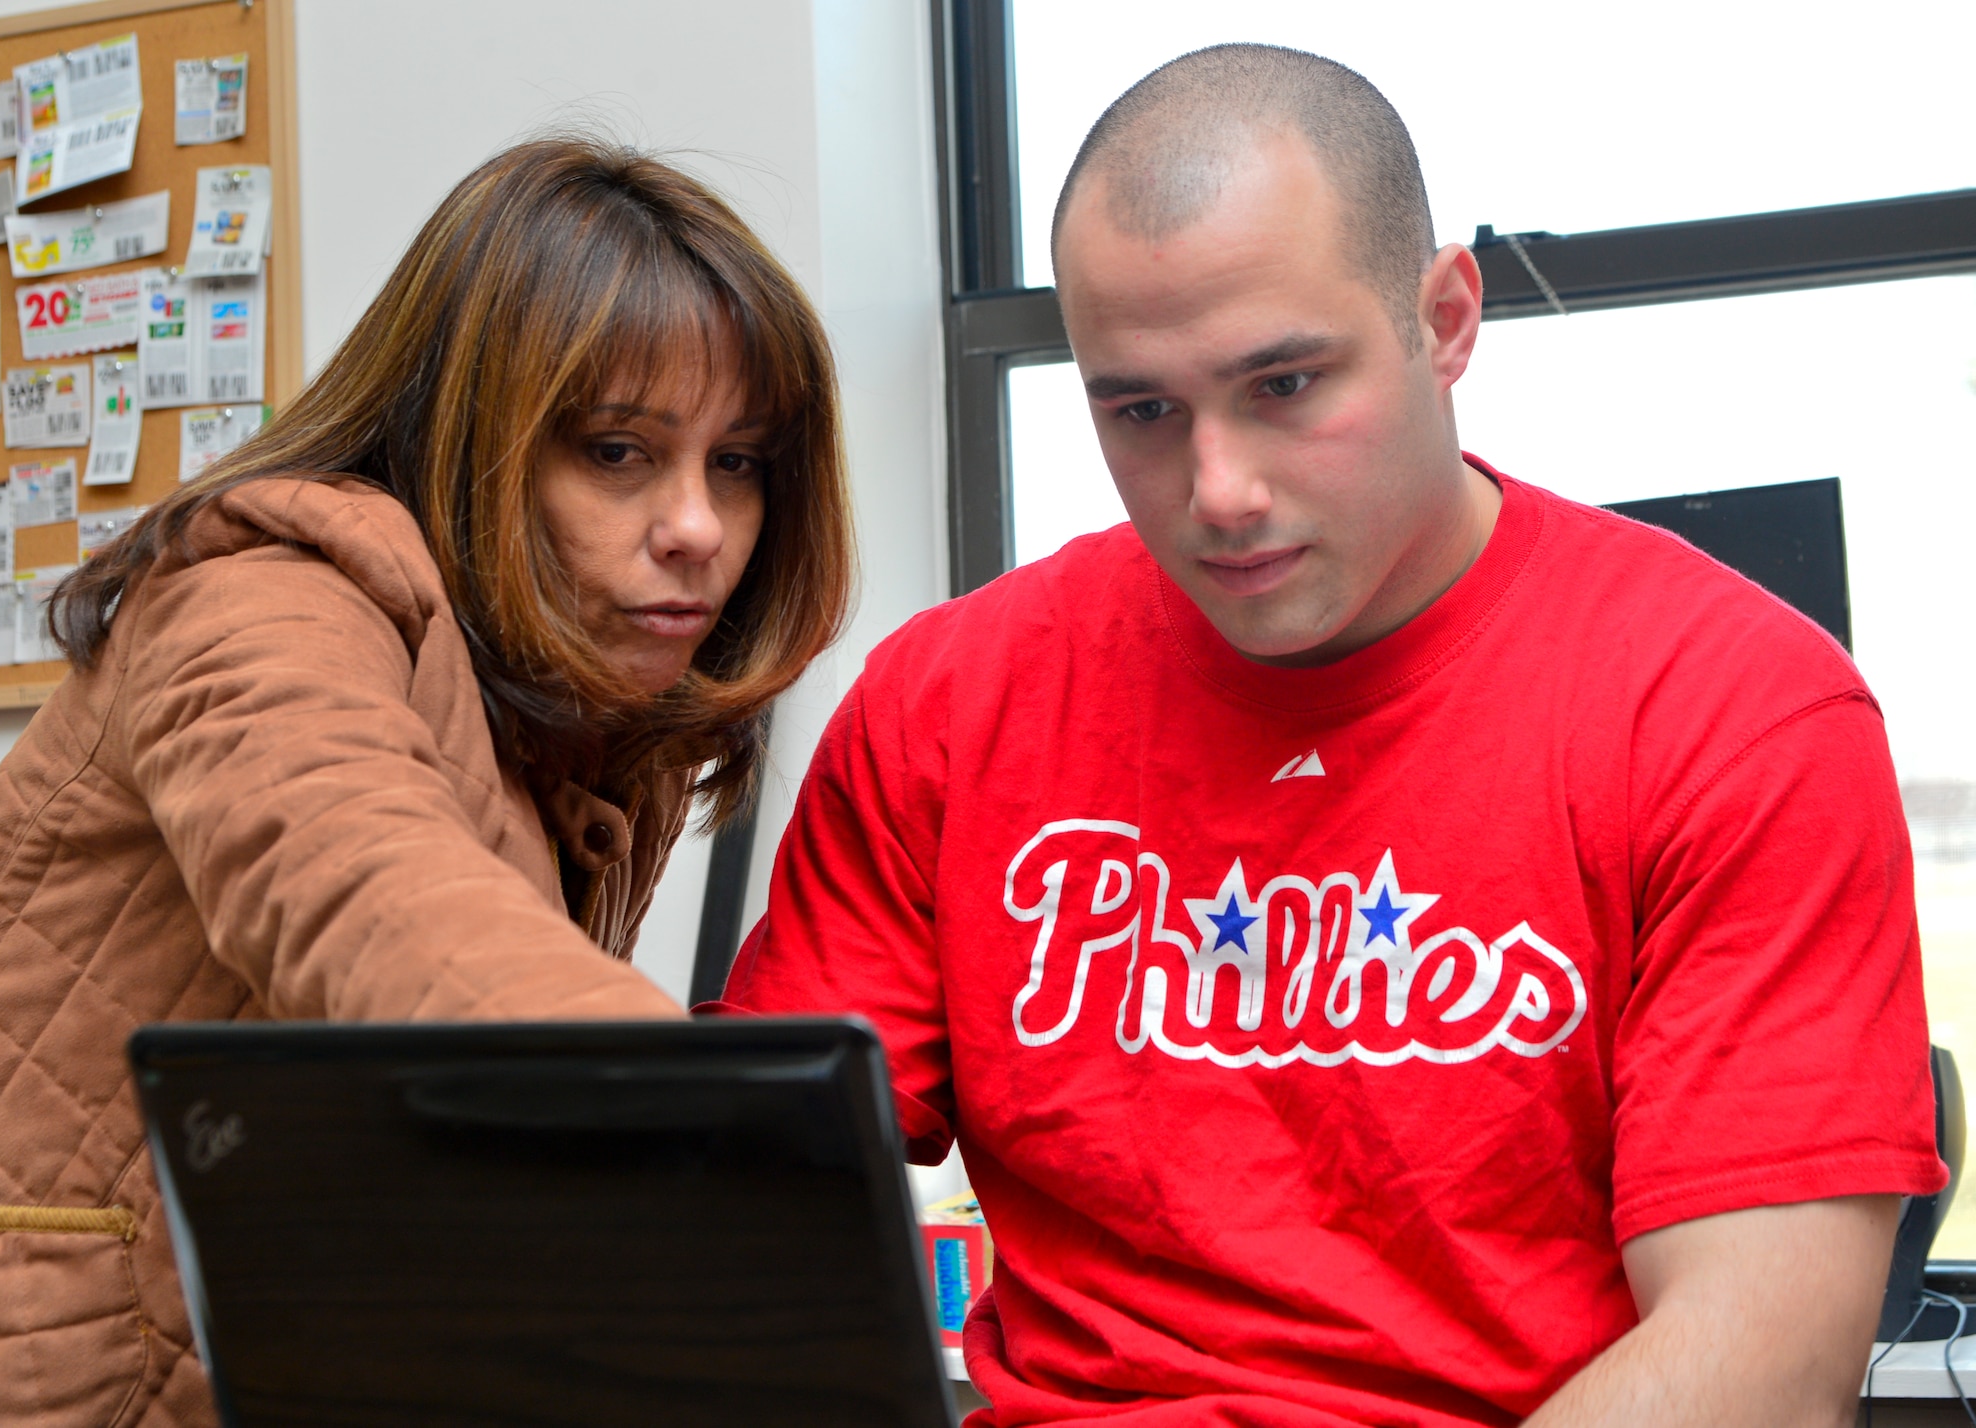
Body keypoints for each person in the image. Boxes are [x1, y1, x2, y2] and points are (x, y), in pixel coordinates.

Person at [720, 44, 1944, 1428]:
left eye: (1287, 387)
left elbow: (1762, 1363)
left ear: (1447, 317)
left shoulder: (1732, 709)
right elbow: (743, 1221)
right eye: (1141, 412)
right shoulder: (949, 701)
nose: (1218, 490)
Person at [0, 137, 852, 1426]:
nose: (700, 527)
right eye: (618, 452)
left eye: (738, 462)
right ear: (466, 436)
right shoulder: (263, 600)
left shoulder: (582, 705)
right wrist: (697, 1127)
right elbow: (363, 887)